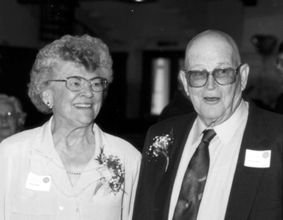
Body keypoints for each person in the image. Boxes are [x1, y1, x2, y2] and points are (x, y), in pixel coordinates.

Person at [133, 30, 283, 220]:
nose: (210, 85)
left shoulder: (278, 137)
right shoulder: (160, 135)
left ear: (242, 77)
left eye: (222, 72)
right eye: (197, 74)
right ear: (185, 83)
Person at [0, 34, 141, 220]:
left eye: (96, 83)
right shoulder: (11, 154)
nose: (89, 92)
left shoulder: (127, 158)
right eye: (75, 83)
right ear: (46, 94)